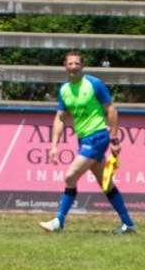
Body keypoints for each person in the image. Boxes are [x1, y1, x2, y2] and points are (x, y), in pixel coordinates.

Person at [41, 50, 136, 233]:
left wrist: (114, 138)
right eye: (70, 64)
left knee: (70, 176)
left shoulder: (94, 84)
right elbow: (60, 118)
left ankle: (58, 222)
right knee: (106, 182)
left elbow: (111, 110)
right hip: (83, 138)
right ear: (65, 66)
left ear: (82, 66)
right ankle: (128, 224)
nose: (73, 67)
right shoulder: (64, 90)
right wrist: (54, 145)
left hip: (97, 136)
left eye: (77, 63)